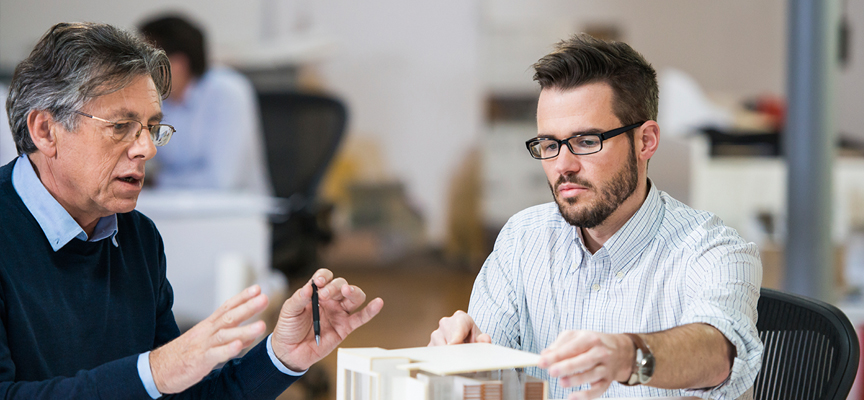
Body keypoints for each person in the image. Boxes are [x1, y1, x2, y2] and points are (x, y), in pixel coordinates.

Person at [0, 22, 382, 399]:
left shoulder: (139, 238)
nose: (147, 149)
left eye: (152, 128)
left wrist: (280, 357)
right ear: (46, 131)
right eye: (120, 126)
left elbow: (180, 393)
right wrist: (156, 370)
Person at [429, 34, 763, 400]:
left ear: (645, 141)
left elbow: (719, 354)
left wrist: (628, 356)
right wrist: (464, 364)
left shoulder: (714, 249)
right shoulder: (521, 240)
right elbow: (492, 386)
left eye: (587, 141)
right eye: (549, 145)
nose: (563, 166)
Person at [138, 14, 271, 195]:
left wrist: (158, 181)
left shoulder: (227, 91)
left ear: (178, 63)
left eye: (146, 61)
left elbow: (222, 181)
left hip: (231, 212)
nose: (140, 70)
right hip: (172, 207)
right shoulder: (155, 99)